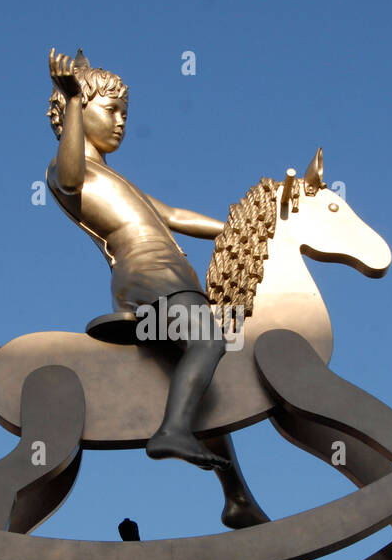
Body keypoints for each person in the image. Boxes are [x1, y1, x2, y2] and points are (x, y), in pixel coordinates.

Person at [46, 47, 267, 528]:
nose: (122, 121)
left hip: (171, 275)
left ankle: (237, 497)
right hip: (149, 275)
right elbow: (67, 178)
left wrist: (248, 224)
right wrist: (70, 104)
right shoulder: (71, 170)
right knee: (210, 340)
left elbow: (176, 217)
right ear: (78, 110)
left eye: (126, 112)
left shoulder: (118, 179)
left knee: (203, 380)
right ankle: (171, 431)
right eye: (111, 110)